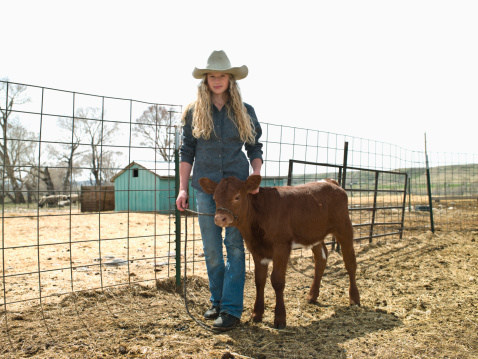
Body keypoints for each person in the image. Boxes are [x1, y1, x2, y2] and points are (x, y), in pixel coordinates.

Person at [176, 50, 263, 331]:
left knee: (235, 248)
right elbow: (186, 151)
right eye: (212, 76)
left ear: (230, 79)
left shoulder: (245, 111)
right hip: (207, 189)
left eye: (222, 75)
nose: (217, 80)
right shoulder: (193, 112)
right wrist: (181, 189)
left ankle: (232, 309)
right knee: (212, 250)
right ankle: (217, 302)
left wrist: (256, 175)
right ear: (205, 79)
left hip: (237, 193)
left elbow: (254, 147)